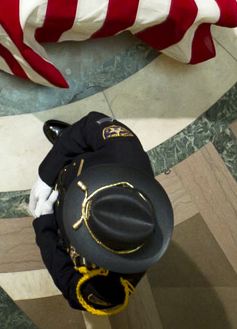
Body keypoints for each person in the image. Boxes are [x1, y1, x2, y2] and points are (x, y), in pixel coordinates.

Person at [31, 113, 174, 316]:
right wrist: (48, 172)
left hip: (61, 225)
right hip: (82, 169)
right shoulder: (125, 153)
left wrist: (45, 227)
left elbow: (69, 283)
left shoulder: (109, 287)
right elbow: (91, 125)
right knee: (79, 140)